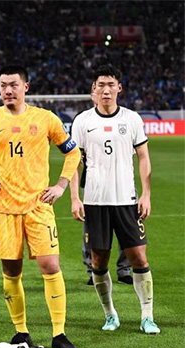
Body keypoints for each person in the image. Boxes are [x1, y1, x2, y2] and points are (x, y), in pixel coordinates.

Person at [0, 64, 80, 348]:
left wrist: (61, 185)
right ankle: (21, 331)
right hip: (3, 208)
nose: (8, 90)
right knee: (11, 271)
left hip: (38, 206)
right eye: (3, 85)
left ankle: (59, 333)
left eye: (13, 85)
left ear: (26, 87)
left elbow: (73, 151)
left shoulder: (45, 118)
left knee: (50, 266)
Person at [69, 64, 159, 334]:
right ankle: (110, 314)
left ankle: (147, 316)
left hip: (127, 201)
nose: (106, 90)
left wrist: (146, 194)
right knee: (98, 261)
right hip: (95, 202)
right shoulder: (82, 121)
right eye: (101, 85)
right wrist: (75, 198)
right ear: (93, 89)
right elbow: (74, 162)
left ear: (119, 88)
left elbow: (144, 157)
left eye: (110, 85)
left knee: (139, 258)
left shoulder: (132, 119)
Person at [75, 91, 132, 286]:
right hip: (93, 185)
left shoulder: (125, 119)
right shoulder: (84, 121)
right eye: (96, 91)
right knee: (90, 229)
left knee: (126, 228)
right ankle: (93, 270)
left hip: (122, 186)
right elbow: (76, 157)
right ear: (93, 95)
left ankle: (124, 270)